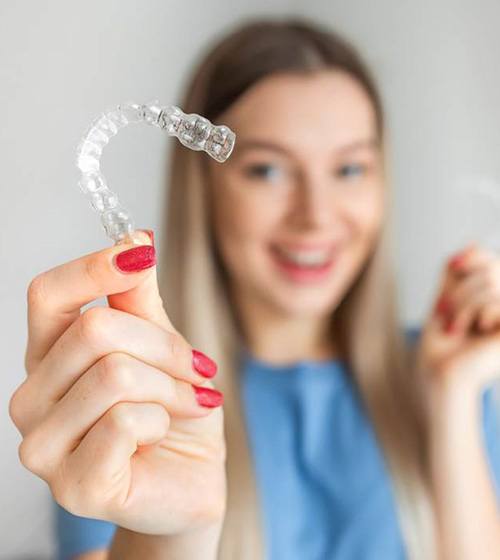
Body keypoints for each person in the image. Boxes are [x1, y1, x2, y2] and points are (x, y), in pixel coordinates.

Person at [9, 18, 500, 560]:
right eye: (267, 171)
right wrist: (171, 532)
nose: (315, 217)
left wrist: (452, 396)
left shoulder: (446, 383)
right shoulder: (137, 403)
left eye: (350, 168)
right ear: (204, 185)